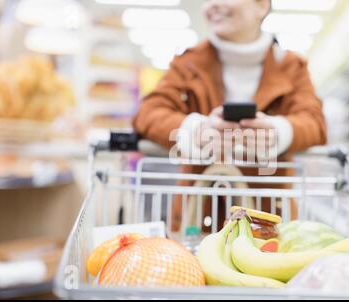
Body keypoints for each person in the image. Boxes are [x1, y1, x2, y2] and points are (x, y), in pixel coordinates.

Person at [133, 0, 327, 231]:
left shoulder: (291, 66)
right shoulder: (188, 63)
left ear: (261, 6)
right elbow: (148, 113)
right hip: (198, 215)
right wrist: (196, 130)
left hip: (268, 219)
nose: (212, 5)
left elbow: (315, 122)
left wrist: (277, 132)